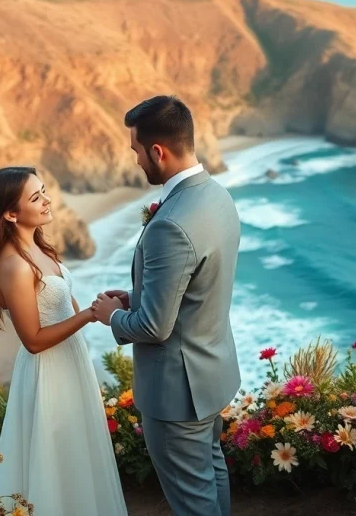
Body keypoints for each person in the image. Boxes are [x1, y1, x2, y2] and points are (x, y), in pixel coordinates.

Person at [92, 95, 241, 516]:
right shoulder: (217, 196)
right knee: (211, 471)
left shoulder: (170, 224)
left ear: (158, 151)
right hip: (211, 374)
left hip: (177, 393)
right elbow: (198, 285)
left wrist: (113, 316)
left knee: (193, 501)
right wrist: (138, 297)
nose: (136, 160)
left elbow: (154, 328)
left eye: (137, 150)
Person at [0, 166, 127, 515]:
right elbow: (33, 340)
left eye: (44, 191)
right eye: (36, 197)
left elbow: (65, 304)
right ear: (11, 214)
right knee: (54, 450)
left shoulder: (40, 248)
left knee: (75, 445)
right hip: (47, 369)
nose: (47, 200)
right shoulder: (15, 266)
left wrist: (102, 304)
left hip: (71, 359)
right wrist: (90, 315)